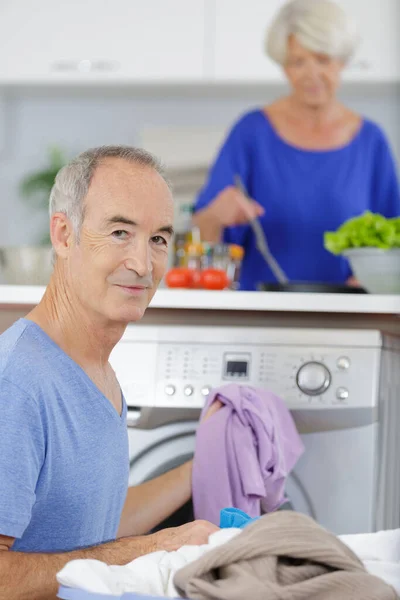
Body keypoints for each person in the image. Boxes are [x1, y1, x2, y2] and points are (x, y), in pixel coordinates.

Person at [0, 146, 221, 600]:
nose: (143, 265)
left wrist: (201, 468)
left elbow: (89, 526)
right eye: (120, 232)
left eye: (158, 239)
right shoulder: (17, 383)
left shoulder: (95, 371)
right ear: (63, 235)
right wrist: (152, 547)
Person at [194, 0, 400, 291]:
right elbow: (204, 233)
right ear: (283, 66)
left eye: (323, 59)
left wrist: (377, 276)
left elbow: (394, 239)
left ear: (343, 61)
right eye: (297, 62)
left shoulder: (371, 142)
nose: (310, 74)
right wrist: (215, 214)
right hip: (262, 315)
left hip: (350, 316)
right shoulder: (250, 133)